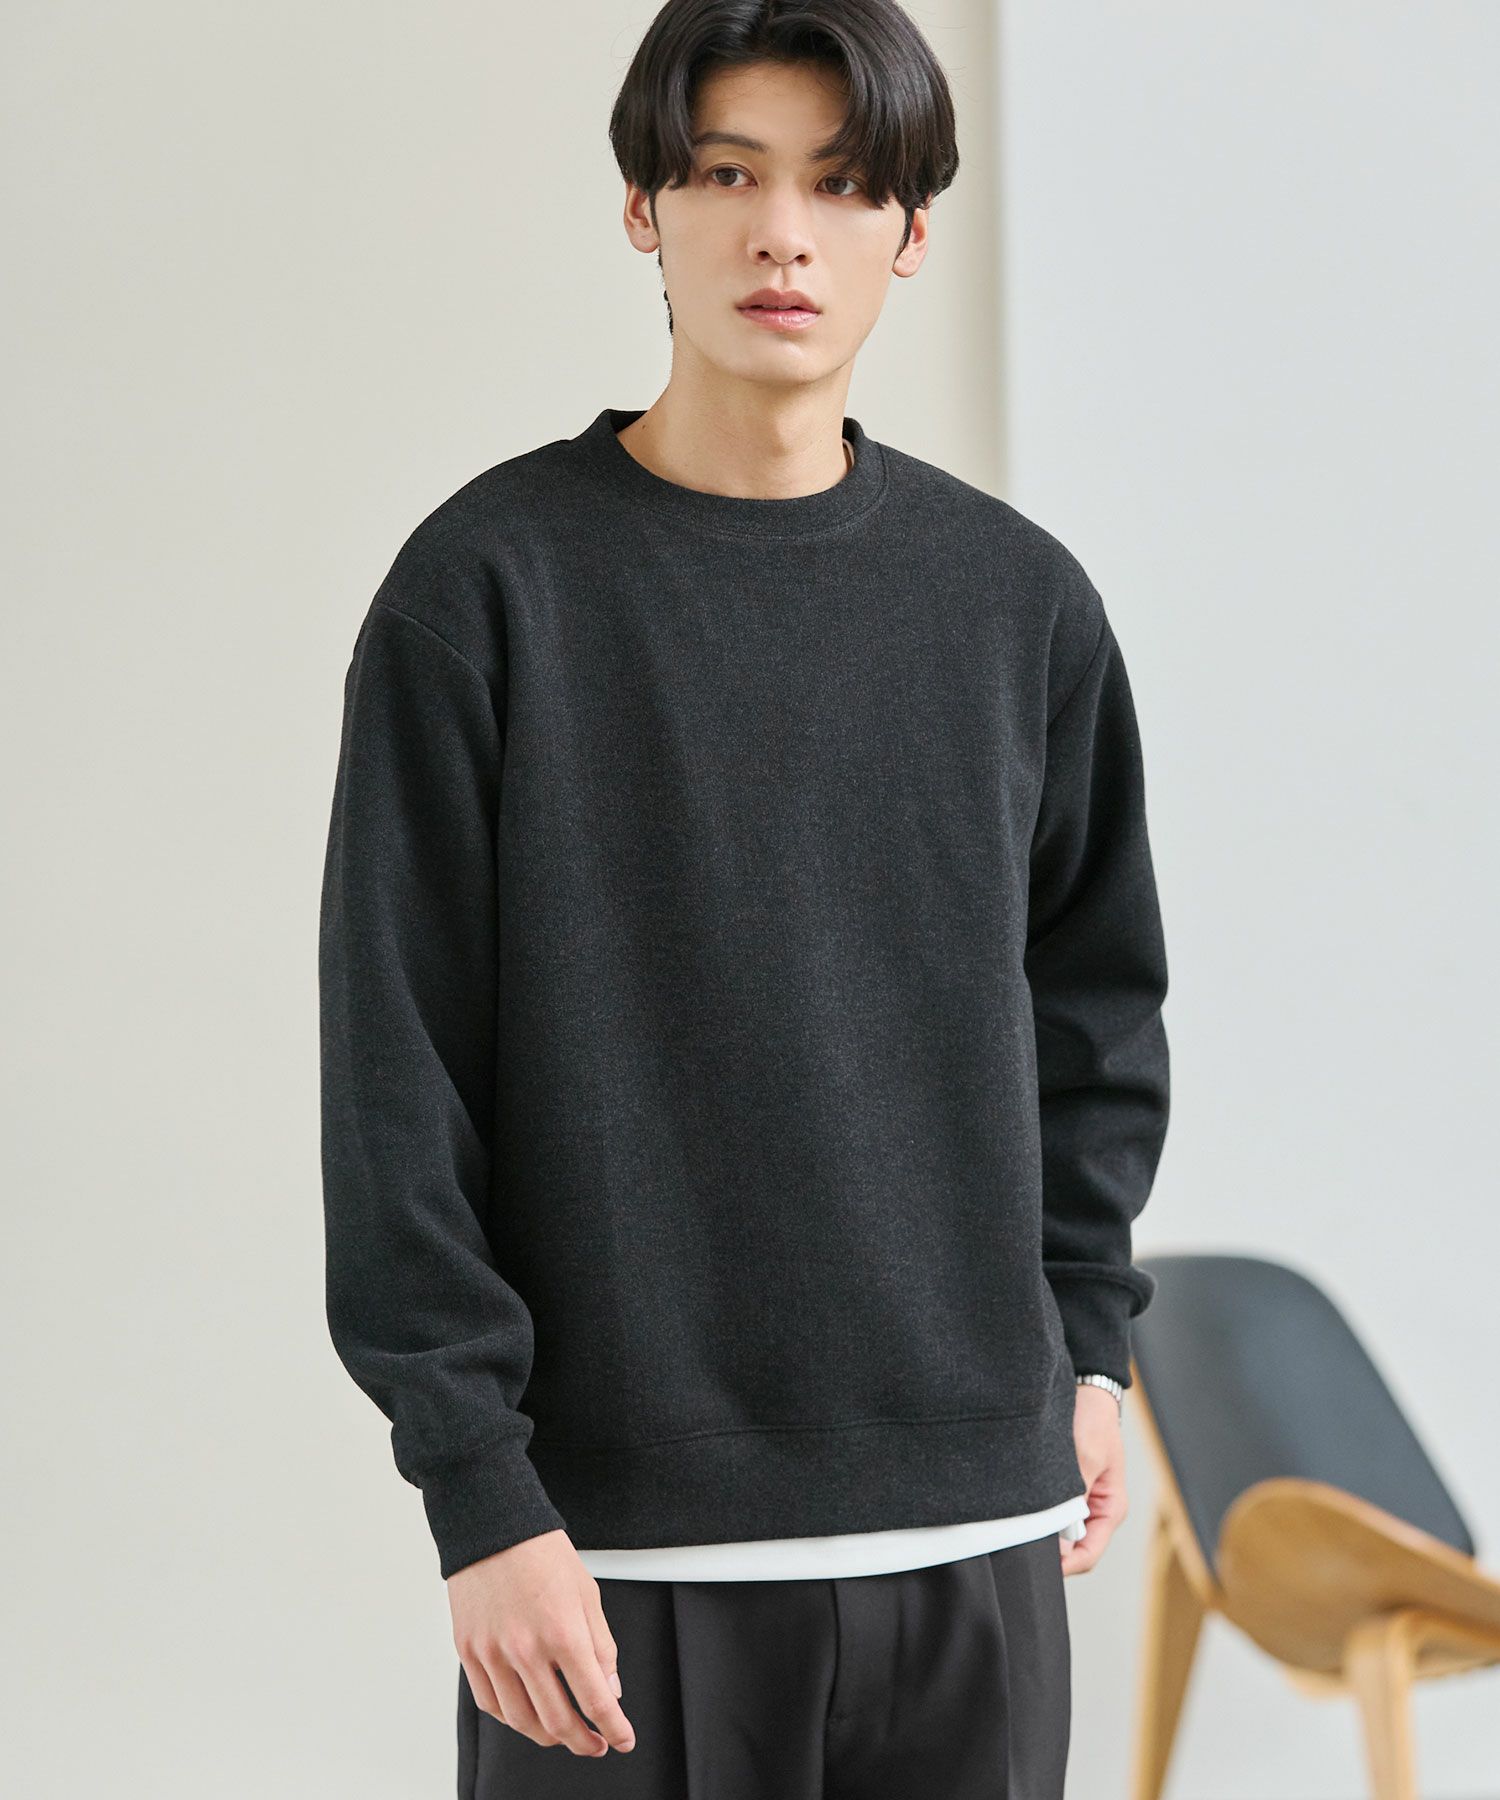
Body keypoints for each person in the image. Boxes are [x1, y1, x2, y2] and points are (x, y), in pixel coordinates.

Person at [317, 1, 1171, 1793]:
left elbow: (1095, 1019)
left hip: (977, 1541)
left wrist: (1087, 1351)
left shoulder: (1019, 607)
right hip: (614, 1560)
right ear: (645, 205)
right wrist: (480, 1496)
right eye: (728, 174)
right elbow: (398, 1081)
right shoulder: (486, 594)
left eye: (844, 186)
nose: (785, 234)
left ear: (910, 231)